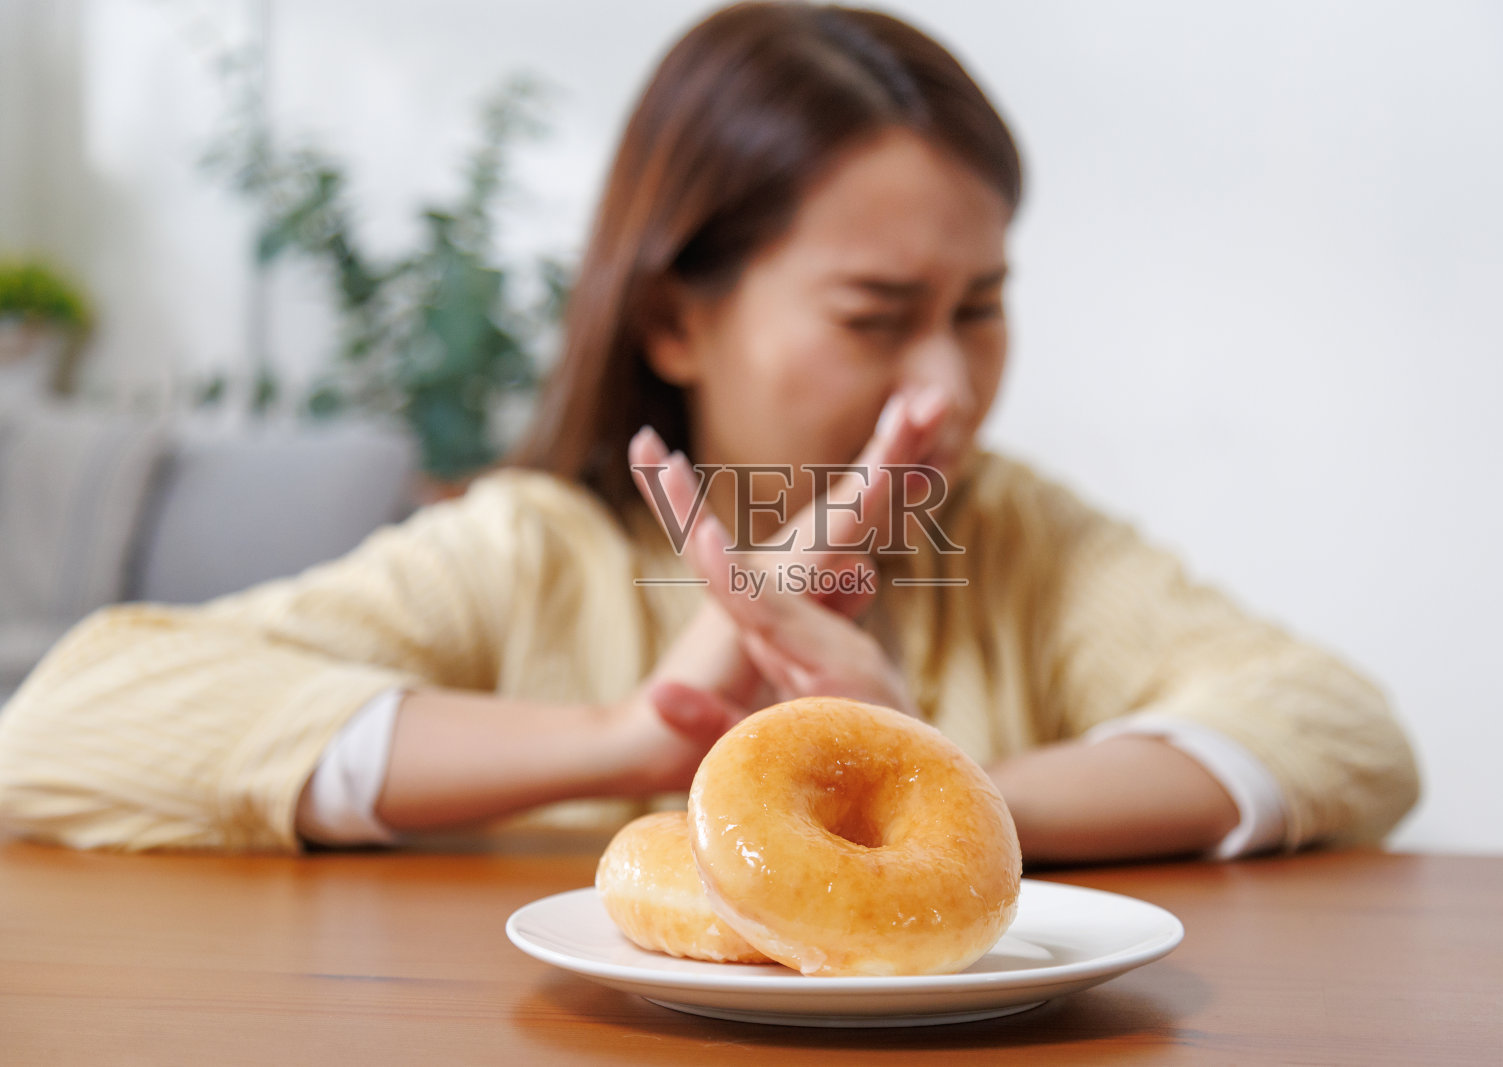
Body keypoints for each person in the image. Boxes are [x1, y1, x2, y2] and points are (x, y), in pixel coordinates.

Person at [0, 2, 1418, 860]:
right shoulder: (535, 553)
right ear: (676, 321)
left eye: (981, 307)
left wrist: (929, 797)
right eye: (876, 315)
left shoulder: (1011, 535)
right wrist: (630, 738)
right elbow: (68, 727)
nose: (948, 386)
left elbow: (1335, 726)